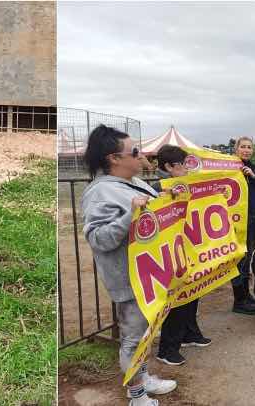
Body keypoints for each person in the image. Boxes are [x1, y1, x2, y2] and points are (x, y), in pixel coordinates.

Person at [81, 125, 176, 405]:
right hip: (131, 281)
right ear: (114, 158)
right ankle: (136, 396)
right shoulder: (100, 193)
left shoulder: (135, 183)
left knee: (145, 335)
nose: (141, 156)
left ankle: (143, 378)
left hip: (152, 276)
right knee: (133, 340)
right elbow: (98, 238)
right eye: (135, 152)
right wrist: (130, 216)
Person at [150, 145, 212, 367]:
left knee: (193, 292)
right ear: (168, 166)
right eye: (183, 165)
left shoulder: (184, 184)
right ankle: (167, 349)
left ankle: (189, 334)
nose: (187, 168)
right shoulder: (158, 187)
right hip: (173, 253)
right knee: (178, 300)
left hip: (190, 248)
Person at [232, 136, 255, 315]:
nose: (246, 150)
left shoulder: (253, 168)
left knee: (248, 259)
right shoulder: (228, 167)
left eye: (249, 147)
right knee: (240, 260)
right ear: (236, 149)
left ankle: (246, 296)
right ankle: (239, 300)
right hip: (237, 221)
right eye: (243, 147)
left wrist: (253, 177)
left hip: (253, 219)